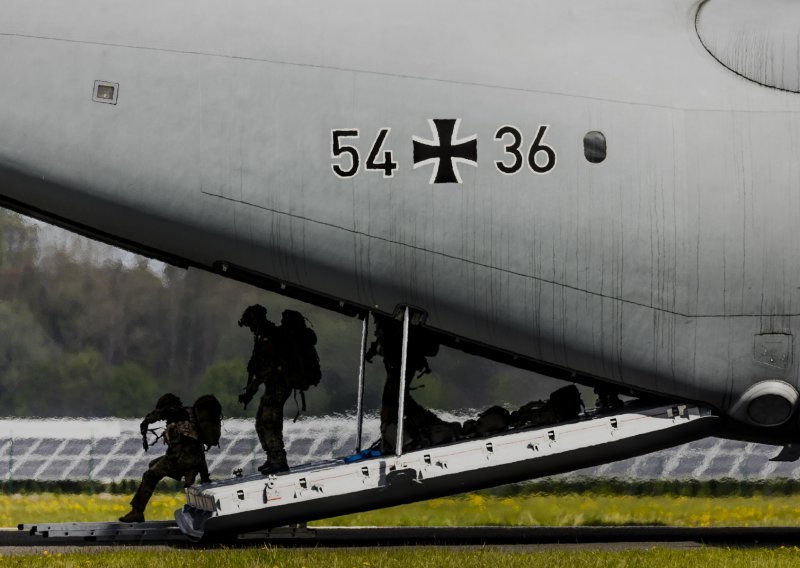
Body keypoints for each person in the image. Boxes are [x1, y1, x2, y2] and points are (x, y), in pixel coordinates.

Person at [366, 313, 452, 453]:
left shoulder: (397, 319)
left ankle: (404, 441)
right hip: (400, 358)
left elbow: (395, 337)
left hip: (404, 358)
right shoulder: (391, 320)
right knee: (396, 399)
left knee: (394, 399)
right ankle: (403, 438)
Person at [119, 393, 210, 523]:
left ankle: (137, 512)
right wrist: (204, 474)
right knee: (153, 464)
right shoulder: (191, 414)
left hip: (182, 458)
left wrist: (146, 422)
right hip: (197, 460)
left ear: (168, 408)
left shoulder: (174, 422)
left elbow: (174, 455)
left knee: (149, 475)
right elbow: (199, 447)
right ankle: (189, 473)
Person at [238, 304, 292, 474]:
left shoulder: (269, 336)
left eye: (251, 324)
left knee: (269, 422)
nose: (251, 329)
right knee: (261, 421)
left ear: (256, 320)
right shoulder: (263, 336)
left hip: (279, 385)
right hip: (273, 386)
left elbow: (266, 369)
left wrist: (250, 391)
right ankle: (272, 458)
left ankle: (279, 460)